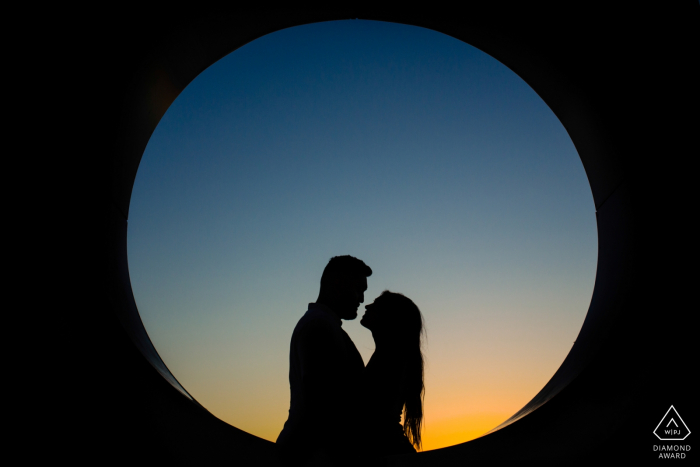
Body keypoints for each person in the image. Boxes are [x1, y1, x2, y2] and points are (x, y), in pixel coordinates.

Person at [276, 255, 372, 466]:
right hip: (313, 457)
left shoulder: (324, 324)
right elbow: (321, 403)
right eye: (359, 289)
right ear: (338, 284)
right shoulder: (319, 326)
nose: (362, 299)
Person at [359, 291, 425, 458]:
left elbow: (376, 417)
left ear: (389, 317)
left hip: (386, 451)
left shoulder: (391, 357)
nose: (367, 306)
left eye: (376, 304)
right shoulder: (391, 355)